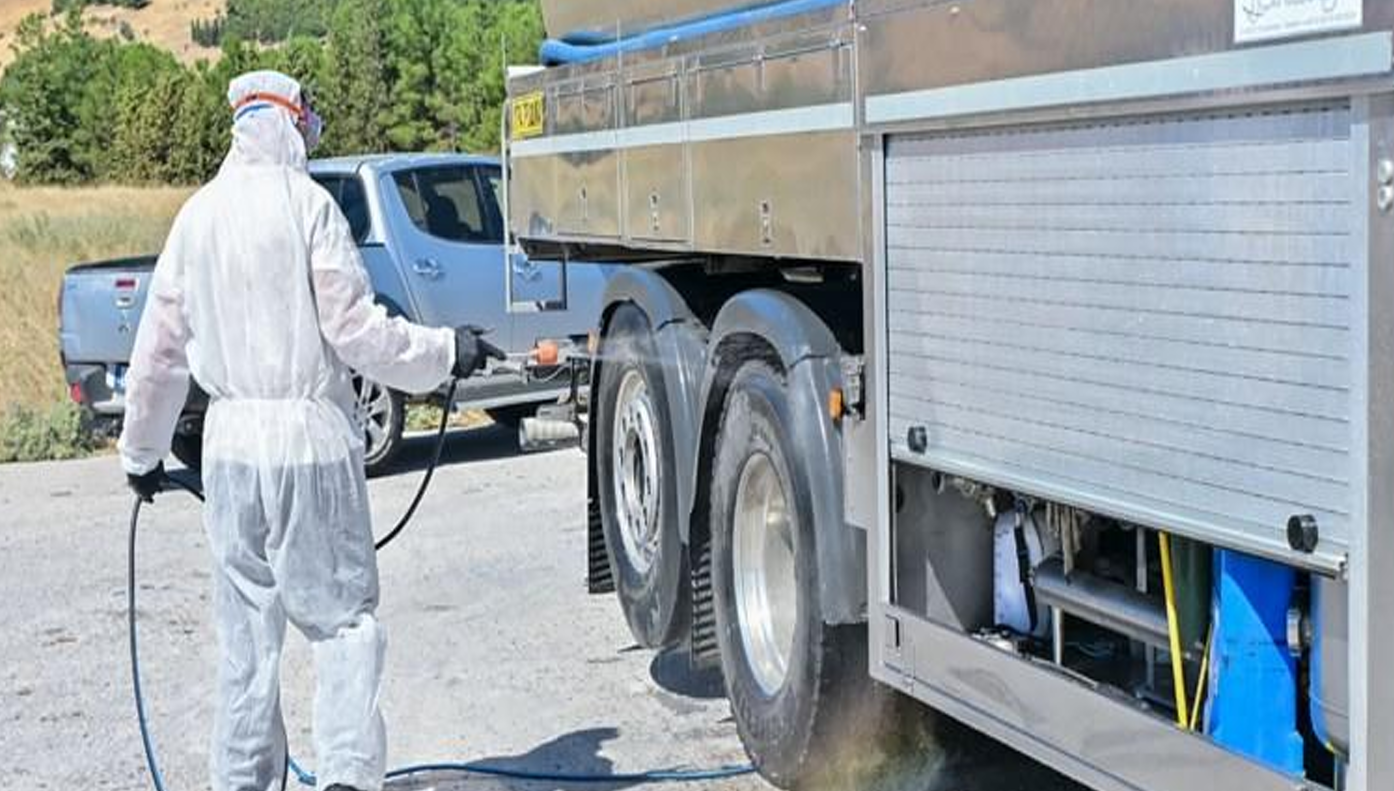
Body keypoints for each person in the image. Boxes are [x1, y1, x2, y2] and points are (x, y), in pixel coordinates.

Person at [118, 70, 502, 791]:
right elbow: (358, 334)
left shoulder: (194, 219)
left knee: (245, 645)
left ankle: (241, 782)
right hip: (310, 447)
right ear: (290, 120)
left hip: (230, 453)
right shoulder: (310, 208)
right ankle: (349, 779)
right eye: (308, 119)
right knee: (343, 626)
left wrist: (140, 454)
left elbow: (158, 354)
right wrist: (449, 351)